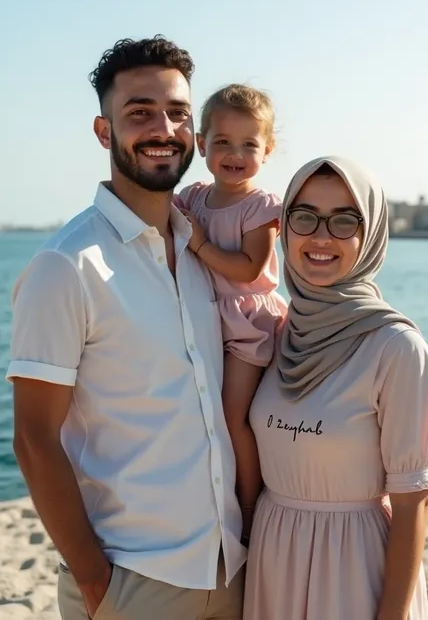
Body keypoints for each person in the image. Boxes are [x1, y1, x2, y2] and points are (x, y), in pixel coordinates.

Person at [8, 35, 246, 620]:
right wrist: (97, 586)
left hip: (233, 569)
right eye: (139, 113)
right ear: (102, 130)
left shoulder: (202, 253)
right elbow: (35, 441)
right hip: (134, 584)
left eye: (178, 113)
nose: (163, 128)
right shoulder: (66, 266)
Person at [243, 156, 428, 620]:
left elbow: (415, 503)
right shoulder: (275, 332)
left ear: (369, 234)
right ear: (285, 227)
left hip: (353, 567)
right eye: (304, 215)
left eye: (344, 222)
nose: (320, 236)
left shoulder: (396, 348)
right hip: (274, 560)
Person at [175, 84, 287, 542]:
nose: (234, 154)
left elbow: (247, 269)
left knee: (231, 413)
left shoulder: (259, 206)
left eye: (248, 144)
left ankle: (246, 500)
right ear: (201, 144)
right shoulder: (195, 197)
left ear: (268, 150)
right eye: (222, 142)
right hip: (205, 317)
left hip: (246, 325)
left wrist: (199, 242)